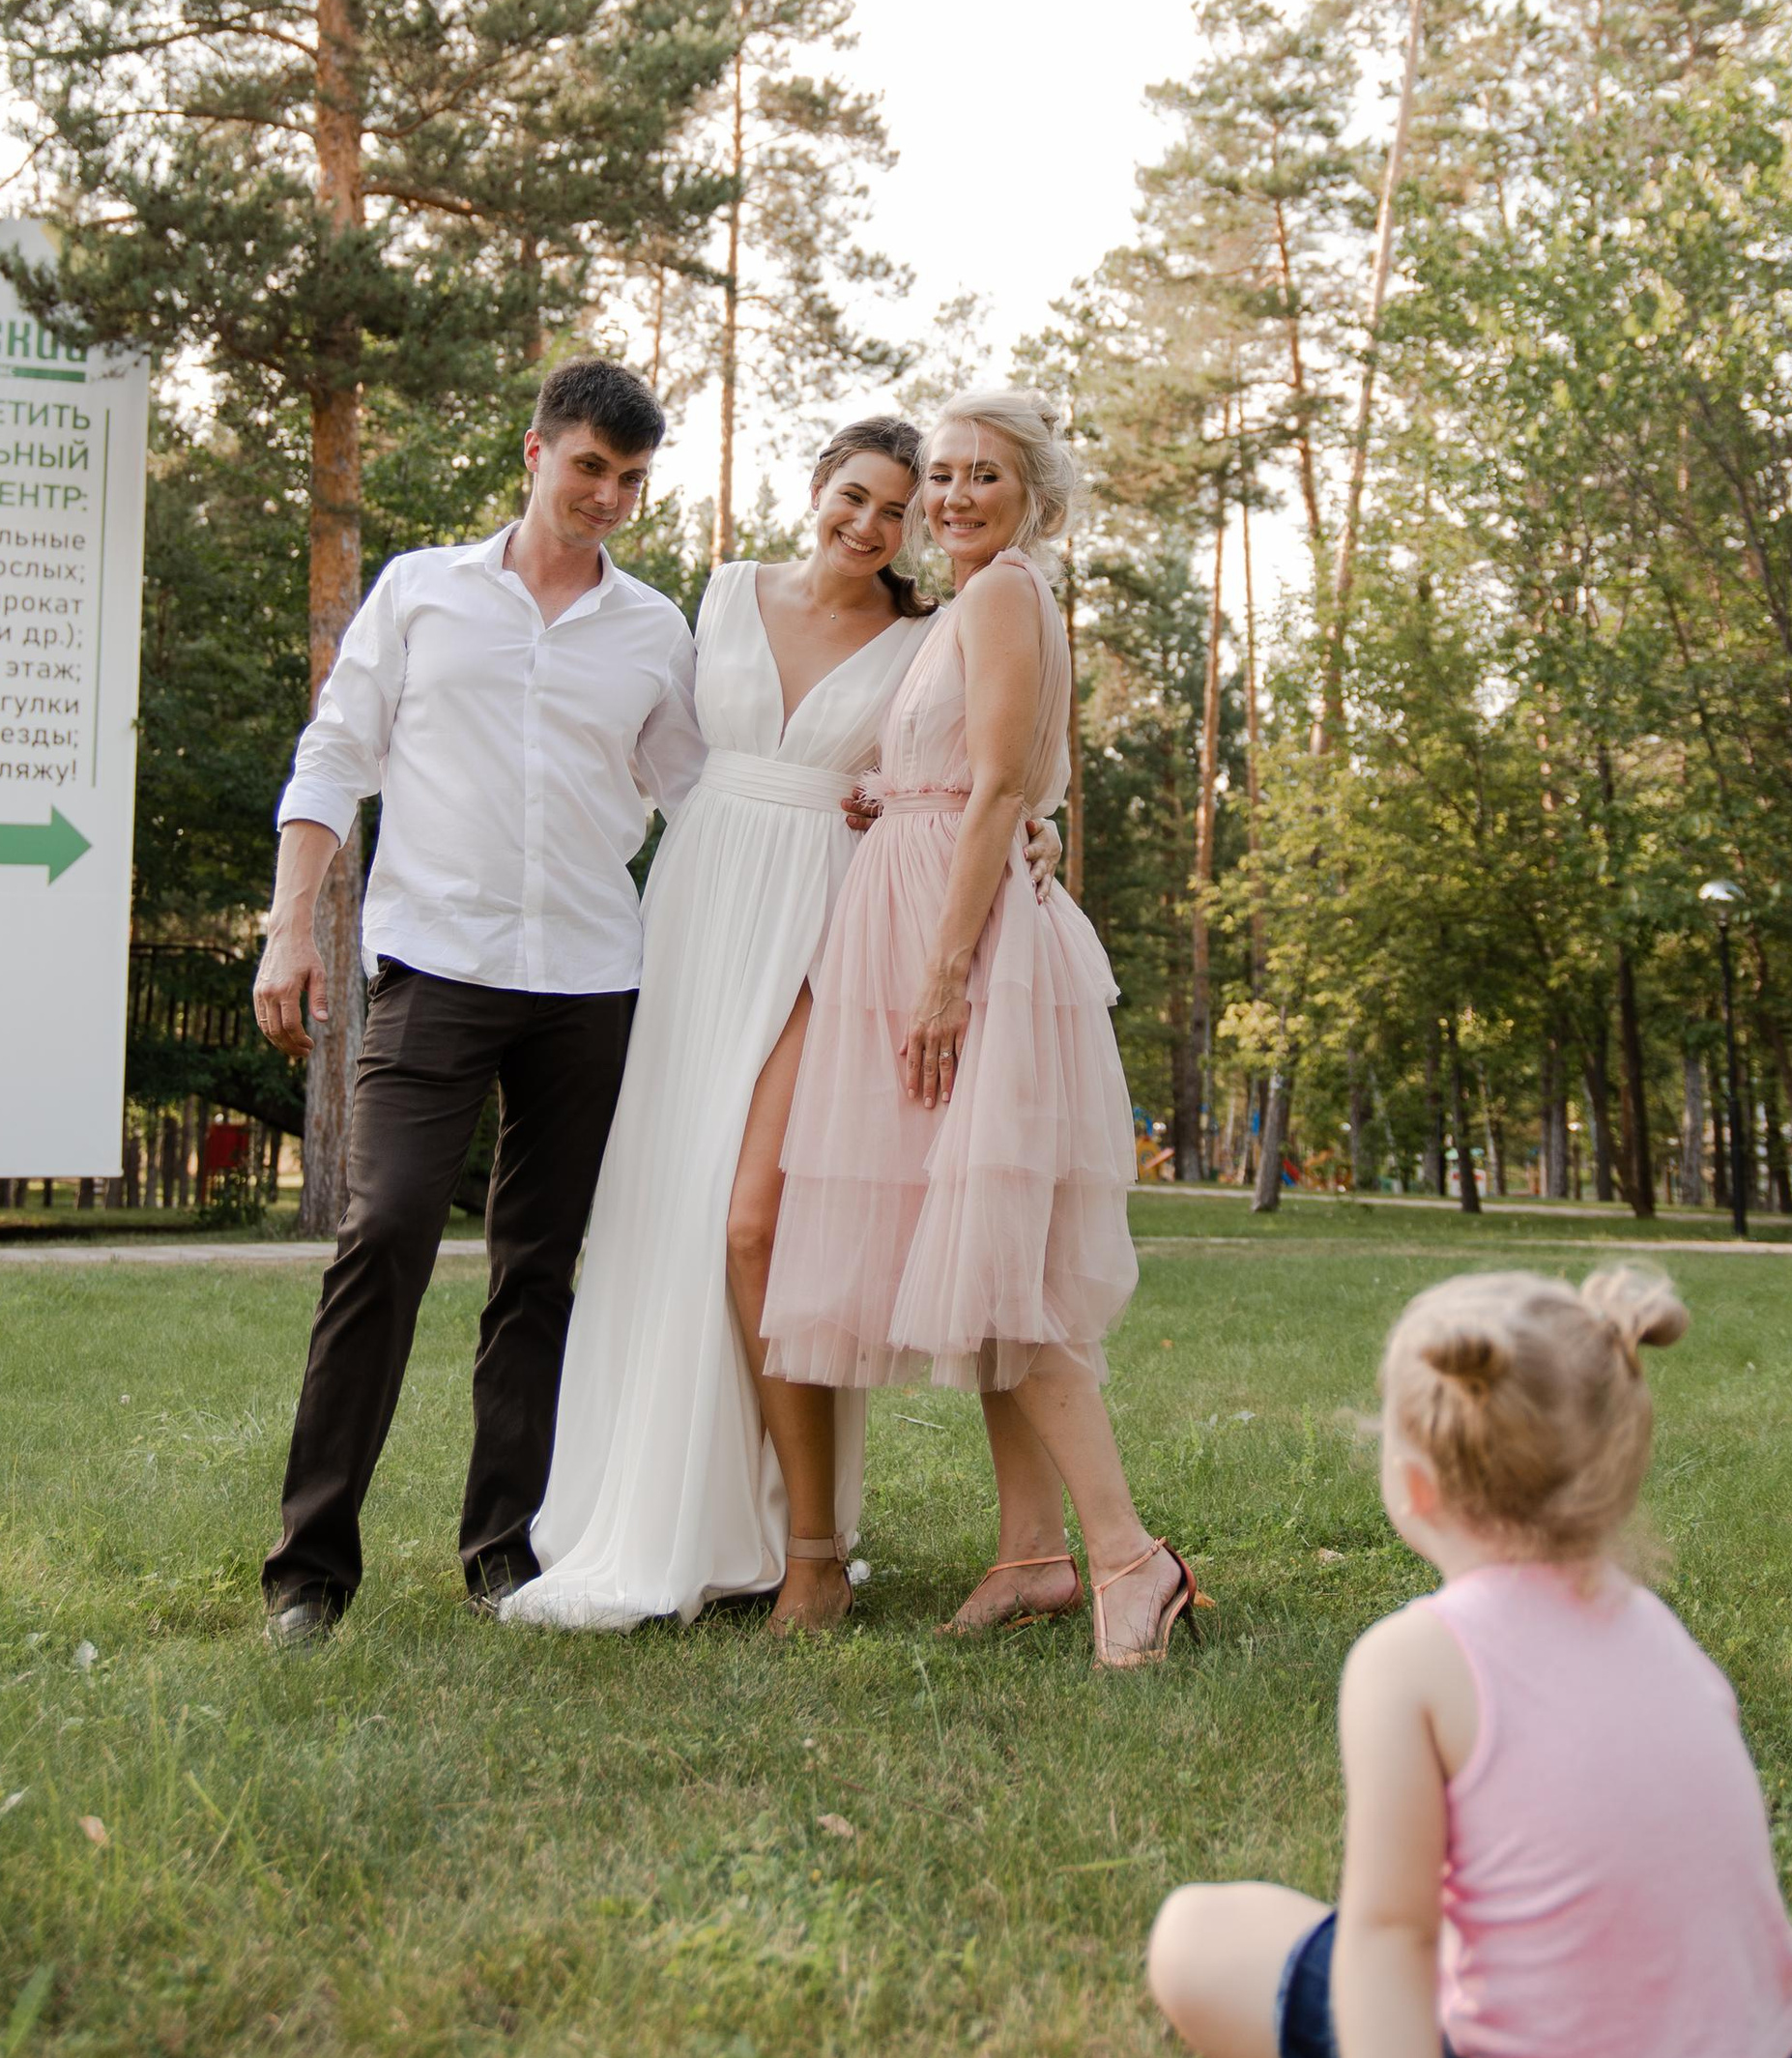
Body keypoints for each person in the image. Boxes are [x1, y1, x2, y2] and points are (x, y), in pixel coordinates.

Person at [1145, 1264, 1792, 2058]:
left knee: (1198, 1934)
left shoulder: (1410, 1660)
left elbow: (1390, 1933)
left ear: (1412, 1485)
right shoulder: (1655, 1627)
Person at [250, 358, 706, 1642]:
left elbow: (703, 796)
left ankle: (505, 1551)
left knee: (540, 1269)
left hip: (589, 980)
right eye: (590, 467)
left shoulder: (654, 631)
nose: (607, 496)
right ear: (535, 452)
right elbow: (335, 756)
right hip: (435, 965)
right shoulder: (421, 591)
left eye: (630, 479)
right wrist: (289, 924)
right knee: (384, 1231)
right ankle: (308, 1572)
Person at [761, 388, 1199, 1670]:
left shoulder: (1005, 593)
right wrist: (884, 795)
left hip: (965, 948)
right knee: (972, 1252)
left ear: (1033, 497)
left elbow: (1004, 781)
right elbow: (967, 771)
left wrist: (946, 976)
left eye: (981, 476)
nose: (951, 496)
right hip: (918, 914)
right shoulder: (963, 607)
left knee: (1005, 1262)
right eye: (940, 475)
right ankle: (1030, 1553)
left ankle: (1130, 1557)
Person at [502, 416, 932, 1637]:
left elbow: (974, 770)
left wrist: (1028, 831)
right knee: (672, 1217)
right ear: (818, 486)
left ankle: (813, 1549)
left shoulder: (925, 638)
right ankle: (680, 1518)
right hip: (698, 915)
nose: (869, 526)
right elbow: (651, 744)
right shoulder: (726, 590)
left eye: (896, 513)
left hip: (828, 925)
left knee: (757, 1224)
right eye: (856, 495)